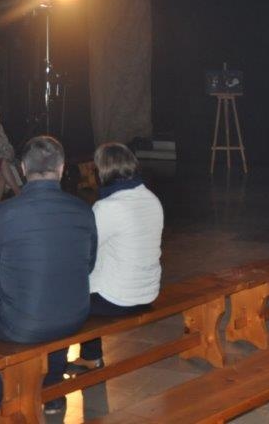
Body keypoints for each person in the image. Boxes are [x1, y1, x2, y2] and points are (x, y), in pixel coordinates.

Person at [0, 136, 97, 422]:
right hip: (75, 314)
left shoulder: (3, 213)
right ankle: (52, 392)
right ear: (62, 168)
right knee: (55, 302)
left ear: (23, 168)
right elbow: (88, 265)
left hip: (23, 321)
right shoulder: (82, 209)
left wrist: (11, 297)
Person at [67, 142, 163, 372]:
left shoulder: (108, 206)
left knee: (64, 300)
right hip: (148, 291)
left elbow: (84, 251)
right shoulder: (150, 198)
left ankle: (68, 364)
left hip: (119, 299)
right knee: (89, 283)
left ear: (103, 171)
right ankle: (90, 355)